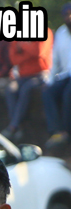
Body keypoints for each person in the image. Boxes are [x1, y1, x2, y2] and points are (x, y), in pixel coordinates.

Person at [3, 31, 53, 141]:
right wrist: (29, 48)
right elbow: (14, 59)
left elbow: (38, 52)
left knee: (27, 89)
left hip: (41, 74)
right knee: (10, 90)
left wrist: (22, 46)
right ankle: (18, 128)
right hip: (23, 76)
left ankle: (13, 126)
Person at [42, 4, 71, 150]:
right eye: (66, 14)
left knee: (68, 95)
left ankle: (67, 132)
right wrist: (50, 80)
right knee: (48, 92)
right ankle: (56, 131)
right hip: (65, 75)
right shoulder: (61, 32)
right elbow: (55, 59)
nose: (69, 17)